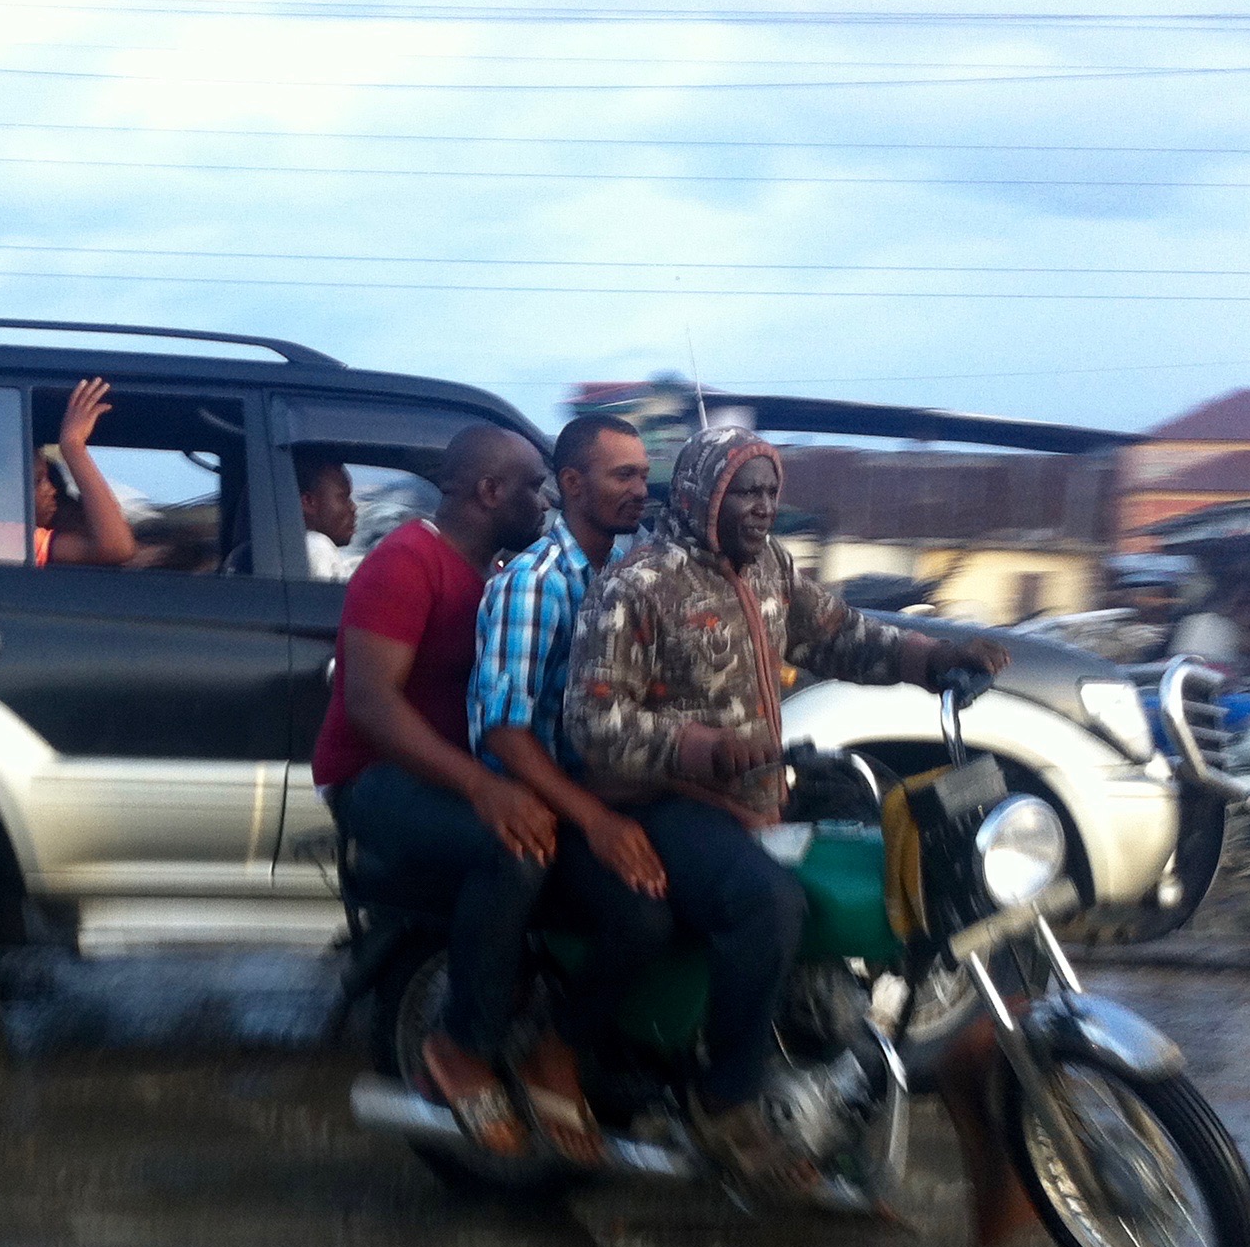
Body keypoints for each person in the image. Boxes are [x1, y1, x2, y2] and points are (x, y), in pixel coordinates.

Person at [565, 420, 1007, 1186]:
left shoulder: (769, 567)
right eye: (747, 491)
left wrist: (935, 659)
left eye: (772, 491)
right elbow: (593, 722)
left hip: (759, 795)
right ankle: (724, 1099)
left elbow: (842, 636)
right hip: (661, 799)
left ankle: (818, 1053)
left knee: (864, 859)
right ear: (705, 494)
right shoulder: (640, 583)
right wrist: (699, 747)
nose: (763, 507)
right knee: (768, 905)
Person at [314, 422, 561, 1157]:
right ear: (489, 491)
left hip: (440, 770)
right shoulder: (405, 565)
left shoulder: (491, 574)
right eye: (531, 486)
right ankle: (463, 1046)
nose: (543, 499)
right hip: (372, 778)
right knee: (514, 850)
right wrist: (486, 791)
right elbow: (372, 707)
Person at [467, 415, 673, 1161]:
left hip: (598, 795)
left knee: (672, 903)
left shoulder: (631, 568)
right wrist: (596, 821)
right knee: (631, 911)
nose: (639, 489)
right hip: (533, 800)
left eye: (644, 475)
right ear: (574, 485)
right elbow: (505, 731)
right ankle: (507, 1049)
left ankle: (592, 1054)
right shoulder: (534, 584)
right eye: (623, 475)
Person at [32, 376, 136, 567]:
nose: (52, 490)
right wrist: (73, 445)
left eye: (49, 478)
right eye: (37, 481)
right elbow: (116, 548)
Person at [295, 450, 359, 582]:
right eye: (344, 498)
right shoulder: (317, 547)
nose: (353, 507)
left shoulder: (298, 547)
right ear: (308, 501)